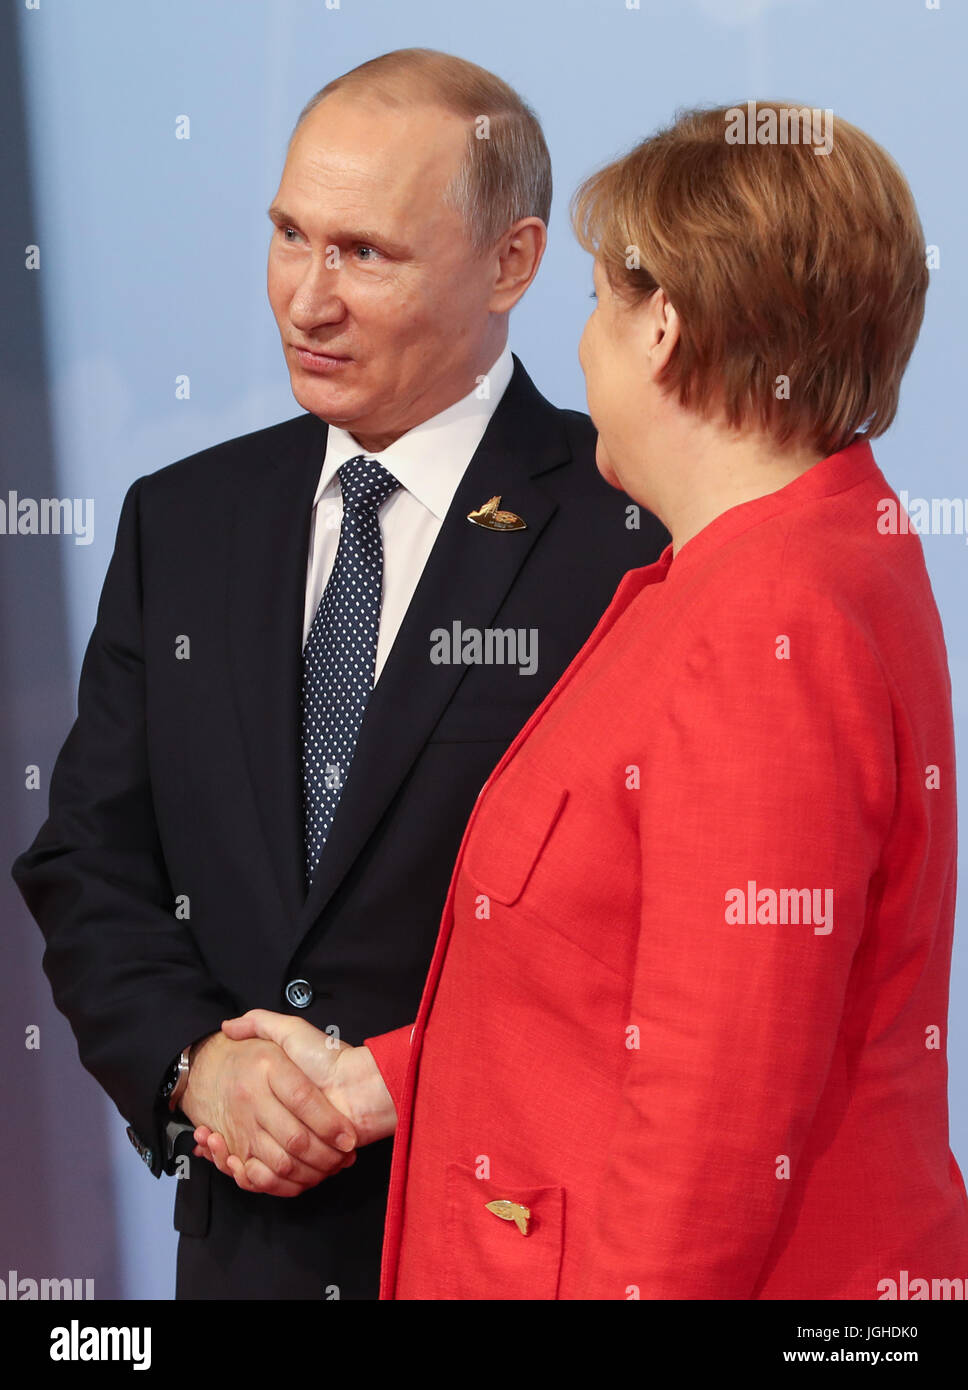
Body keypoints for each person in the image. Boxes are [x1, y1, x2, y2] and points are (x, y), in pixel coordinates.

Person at [218, 101, 968, 1298]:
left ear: (662, 325)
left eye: (596, 304)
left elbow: (712, 1132)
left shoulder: (769, 620)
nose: (578, 349)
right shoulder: (777, 564)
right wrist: (389, 1081)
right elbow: (632, 989)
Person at [9, 48, 668, 1301]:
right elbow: (90, 860)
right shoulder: (182, 520)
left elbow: (655, 941)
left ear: (512, 263)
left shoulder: (629, 526)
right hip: (242, 1256)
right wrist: (196, 1066)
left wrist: (398, 1082)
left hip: (521, 1253)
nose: (304, 301)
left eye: (364, 253)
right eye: (288, 235)